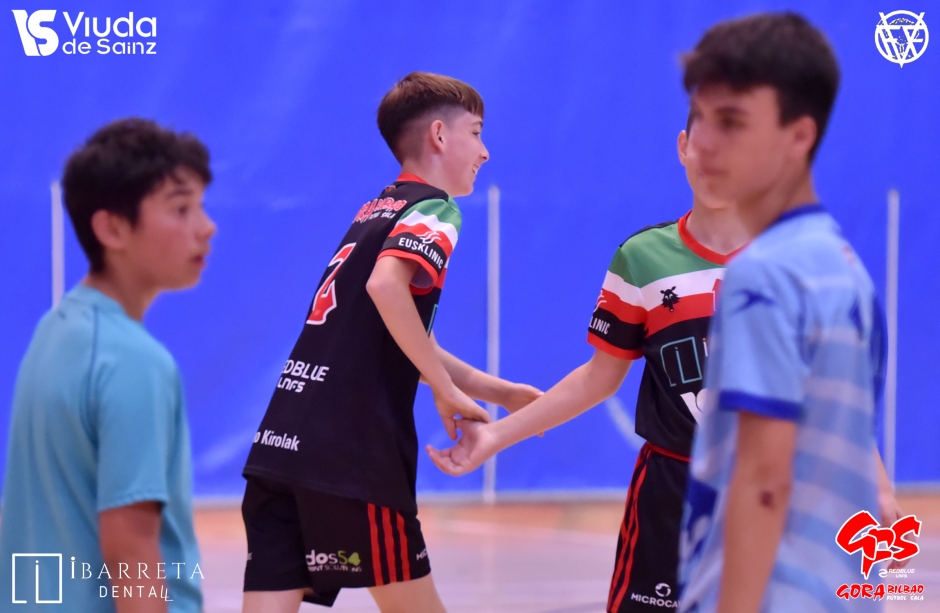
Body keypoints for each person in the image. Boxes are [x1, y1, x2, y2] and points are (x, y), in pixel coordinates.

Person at [240, 72, 541, 613]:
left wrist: (499, 391)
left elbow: (404, 334)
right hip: (351, 452)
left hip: (281, 441)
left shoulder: (377, 208)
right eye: (476, 133)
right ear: (439, 136)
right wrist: (444, 390)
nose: (485, 151)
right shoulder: (434, 207)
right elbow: (386, 288)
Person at [676, 12, 897, 612]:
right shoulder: (839, 262)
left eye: (731, 121)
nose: (705, 142)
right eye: (700, 117)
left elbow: (763, 483)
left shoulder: (764, 274)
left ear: (799, 136)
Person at [0, 118, 216, 612]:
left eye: (201, 206)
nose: (206, 227)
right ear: (112, 228)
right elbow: (132, 552)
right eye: (181, 209)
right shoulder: (133, 361)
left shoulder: (54, 331)